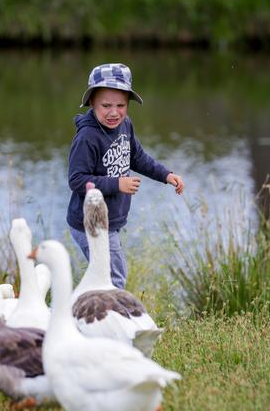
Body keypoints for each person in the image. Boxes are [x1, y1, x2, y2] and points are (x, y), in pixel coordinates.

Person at [66, 63, 184, 289]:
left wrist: (166, 175)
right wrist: (117, 184)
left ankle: (86, 313)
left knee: (105, 276)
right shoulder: (87, 137)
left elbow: (137, 157)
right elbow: (77, 180)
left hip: (109, 220)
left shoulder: (124, 125)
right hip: (89, 222)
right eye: (106, 105)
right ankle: (108, 320)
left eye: (121, 105)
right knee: (114, 278)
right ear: (92, 102)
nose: (114, 112)